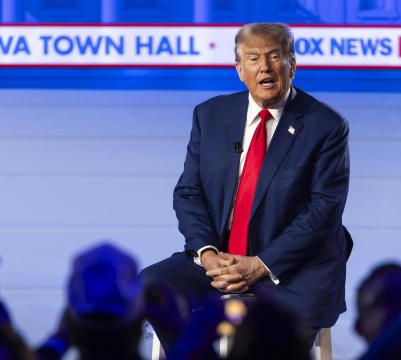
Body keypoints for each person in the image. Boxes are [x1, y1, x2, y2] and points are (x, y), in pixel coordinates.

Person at [140, 22, 351, 351]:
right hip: (220, 258)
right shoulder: (210, 116)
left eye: (274, 56)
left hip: (293, 267)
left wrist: (259, 264)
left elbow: (324, 210)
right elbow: (188, 193)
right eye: (253, 59)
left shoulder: (325, 126)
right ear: (239, 69)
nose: (264, 67)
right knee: (149, 287)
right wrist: (208, 254)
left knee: (270, 342)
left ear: (292, 65)